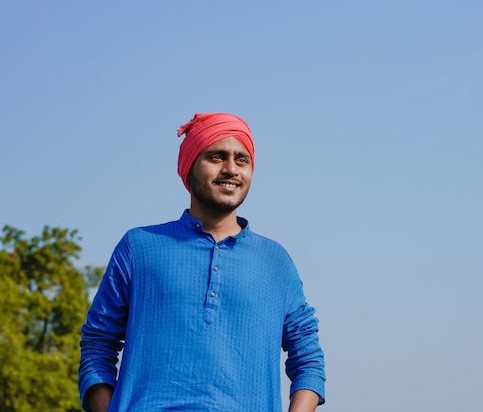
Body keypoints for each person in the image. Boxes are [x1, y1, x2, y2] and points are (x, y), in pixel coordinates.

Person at [78, 112, 326, 412]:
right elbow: (98, 344)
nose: (231, 169)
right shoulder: (138, 247)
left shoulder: (275, 262)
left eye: (241, 159)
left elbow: (308, 359)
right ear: (189, 167)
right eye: (216, 157)